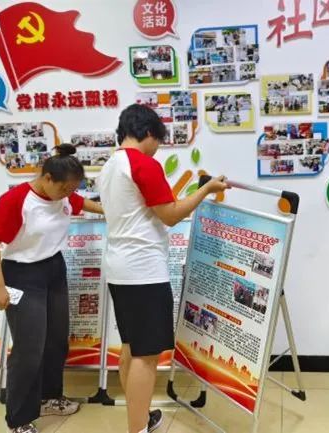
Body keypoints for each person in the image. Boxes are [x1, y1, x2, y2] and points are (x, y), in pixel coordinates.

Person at [98, 104, 229, 433]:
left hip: (119, 267)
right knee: (145, 356)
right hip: (143, 270)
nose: (158, 147)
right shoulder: (143, 164)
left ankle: (140, 418)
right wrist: (205, 189)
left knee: (131, 349)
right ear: (148, 133)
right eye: (158, 140)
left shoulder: (110, 165)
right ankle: (137, 428)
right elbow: (170, 215)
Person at [0, 144, 103, 433]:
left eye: (72, 189)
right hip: (22, 274)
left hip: (54, 270)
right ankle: (19, 419)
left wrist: (110, 211)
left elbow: (80, 203)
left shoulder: (63, 194)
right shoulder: (16, 200)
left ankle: (49, 397)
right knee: (29, 348)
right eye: (64, 188)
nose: (68, 194)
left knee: (56, 340)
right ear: (47, 178)